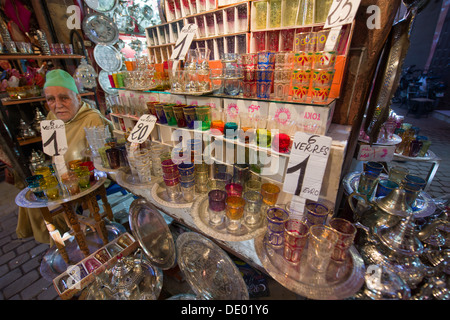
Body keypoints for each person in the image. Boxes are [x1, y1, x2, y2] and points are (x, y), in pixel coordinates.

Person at [16, 69, 113, 244]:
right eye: (51, 100)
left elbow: (102, 162)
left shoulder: (92, 119)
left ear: (78, 97)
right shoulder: (52, 118)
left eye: (64, 98)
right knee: (37, 195)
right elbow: (54, 155)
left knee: (55, 204)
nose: (57, 105)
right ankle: (62, 242)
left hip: (88, 180)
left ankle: (74, 241)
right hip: (64, 177)